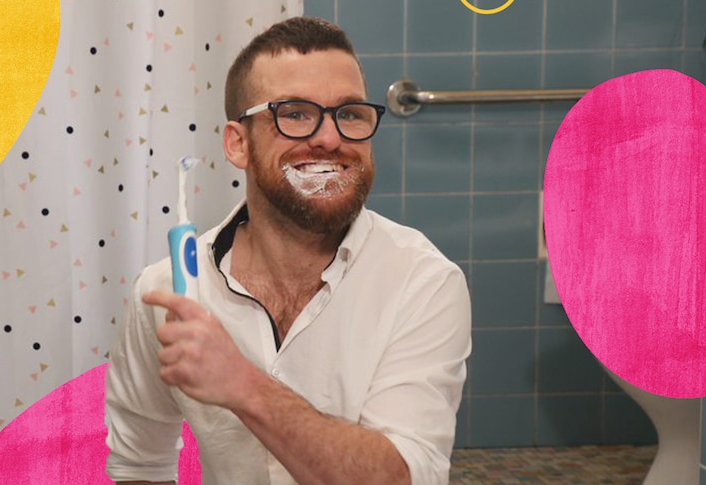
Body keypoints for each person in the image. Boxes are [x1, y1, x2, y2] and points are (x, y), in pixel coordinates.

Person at [104, 16, 471, 485]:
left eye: (351, 113)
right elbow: (139, 463)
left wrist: (243, 385)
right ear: (238, 144)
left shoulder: (422, 282)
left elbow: (401, 476)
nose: (330, 137)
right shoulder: (165, 294)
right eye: (296, 113)